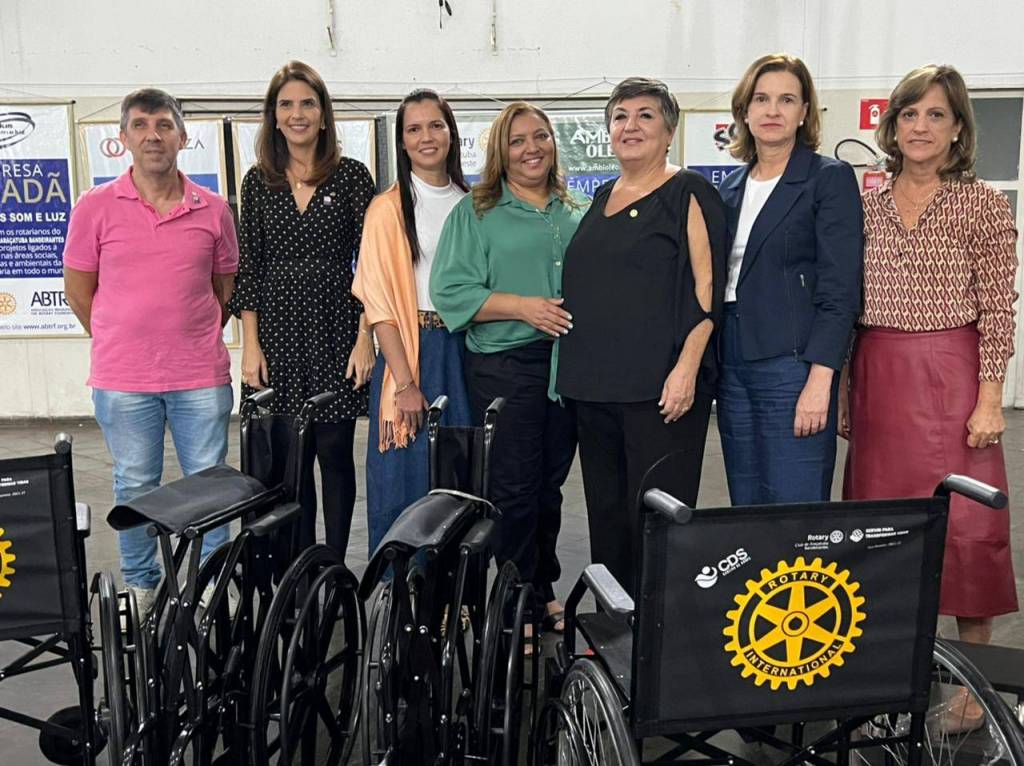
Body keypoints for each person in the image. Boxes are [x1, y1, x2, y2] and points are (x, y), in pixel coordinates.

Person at [841, 65, 1018, 697]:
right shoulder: (864, 205)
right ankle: (884, 676)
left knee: (968, 529)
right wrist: (846, 392)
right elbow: (848, 306)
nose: (920, 127)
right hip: (879, 377)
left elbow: (999, 308)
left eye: (936, 115)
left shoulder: (983, 203)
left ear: (958, 128)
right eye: (910, 114)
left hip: (954, 377)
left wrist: (990, 398)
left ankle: (974, 689)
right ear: (892, 126)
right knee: (877, 529)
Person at [63, 88, 237, 615]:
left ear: (182, 137)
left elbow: (224, 288)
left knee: (209, 482)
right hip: (123, 379)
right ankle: (142, 585)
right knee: (136, 484)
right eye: (140, 125)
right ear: (123, 138)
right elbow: (79, 291)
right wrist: (121, 337)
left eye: (164, 125)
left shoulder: (214, 209)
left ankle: (211, 583)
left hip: (199, 374)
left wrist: (187, 335)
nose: (153, 136)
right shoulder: (94, 207)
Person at [556, 78, 727, 596]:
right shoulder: (601, 196)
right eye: (620, 117)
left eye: (645, 115)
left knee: (656, 521)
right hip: (593, 391)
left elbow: (706, 291)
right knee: (607, 519)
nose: (630, 126)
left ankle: (659, 627)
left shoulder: (689, 191)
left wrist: (686, 369)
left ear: (669, 131)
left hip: (659, 392)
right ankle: (615, 623)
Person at [430, 102, 586, 634]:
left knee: (549, 487)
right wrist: (522, 306)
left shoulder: (576, 209)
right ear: (501, 151)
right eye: (517, 140)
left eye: (540, 136)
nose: (531, 148)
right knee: (514, 489)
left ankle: (542, 588)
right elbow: (451, 290)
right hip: (505, 363)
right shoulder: (477, 211)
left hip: (567, 365)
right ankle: (517, 604)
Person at [229, 61, 376, 560]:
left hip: (336, 330)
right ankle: (301, 568)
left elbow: (372, 265)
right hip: (278, 334)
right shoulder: (257, 182)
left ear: (323, 113)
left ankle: (334, 567)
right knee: (293, 459)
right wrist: (250, 347)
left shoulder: (352, 176)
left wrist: (365, 339)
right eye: (286, 104)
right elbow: (250, 267)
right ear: (273, 116)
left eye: (307, 103)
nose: (297, 114)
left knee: (334, 453)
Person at [717, 54, 863, 505]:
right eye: (761, 99)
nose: (772, 110)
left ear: (804, 112)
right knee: (746, 502)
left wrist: (821, 381)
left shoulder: (828, 179)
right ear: (744, 111)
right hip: (732, 360)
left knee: (794, 504)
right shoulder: (730, 188)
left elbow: (841, 291)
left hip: (793, 364)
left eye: (786, 100)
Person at [352, 89, 471, 553]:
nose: (427, 137)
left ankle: (454, 585)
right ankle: (400, 584)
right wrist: (404, 382)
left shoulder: (471, 202)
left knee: (458, 473)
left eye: (435, 125)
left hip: (464, 350)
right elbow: (379, 303)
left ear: (451, 133)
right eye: (414, 129)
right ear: (402, 141)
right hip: (411, 350)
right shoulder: (387, 208)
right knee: (404, 478)